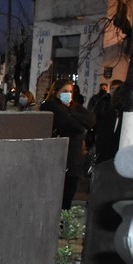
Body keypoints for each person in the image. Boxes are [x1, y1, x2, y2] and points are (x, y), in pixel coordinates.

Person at [40, 79, 96, 210]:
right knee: (56, 196)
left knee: (68, 197)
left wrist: (71, 113)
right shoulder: (49, 105)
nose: (68, 94)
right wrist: (77, 120)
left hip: (74, 158)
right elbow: (70, 125)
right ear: (56, 92)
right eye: (65, 91)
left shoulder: (74, 106)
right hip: (58, 157)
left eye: (70, 91)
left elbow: (91, 119)